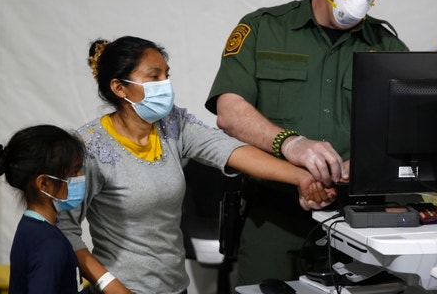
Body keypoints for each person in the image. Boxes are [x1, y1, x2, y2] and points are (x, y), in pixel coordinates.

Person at [57, 35, 336, 294]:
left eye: (167, 75)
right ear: (119, 87)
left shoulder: (173, 125)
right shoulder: (87, 148)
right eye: (154, 77)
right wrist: (108, 284)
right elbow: (65, 228)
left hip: (176, 287)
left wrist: (301, 178)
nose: (165, 85)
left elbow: (229, 150)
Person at [205, 0, 409, 285]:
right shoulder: (264, 29)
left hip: (356, 223)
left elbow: (406, 132)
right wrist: (291, 144)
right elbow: (230, 111)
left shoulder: (387, 47)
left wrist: (365, 167)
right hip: (272, 218)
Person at [0, 125, 86, 294]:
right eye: (74, 171)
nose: (81, 177)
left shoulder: (30, 229)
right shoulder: (50, 245)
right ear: (44, 184)